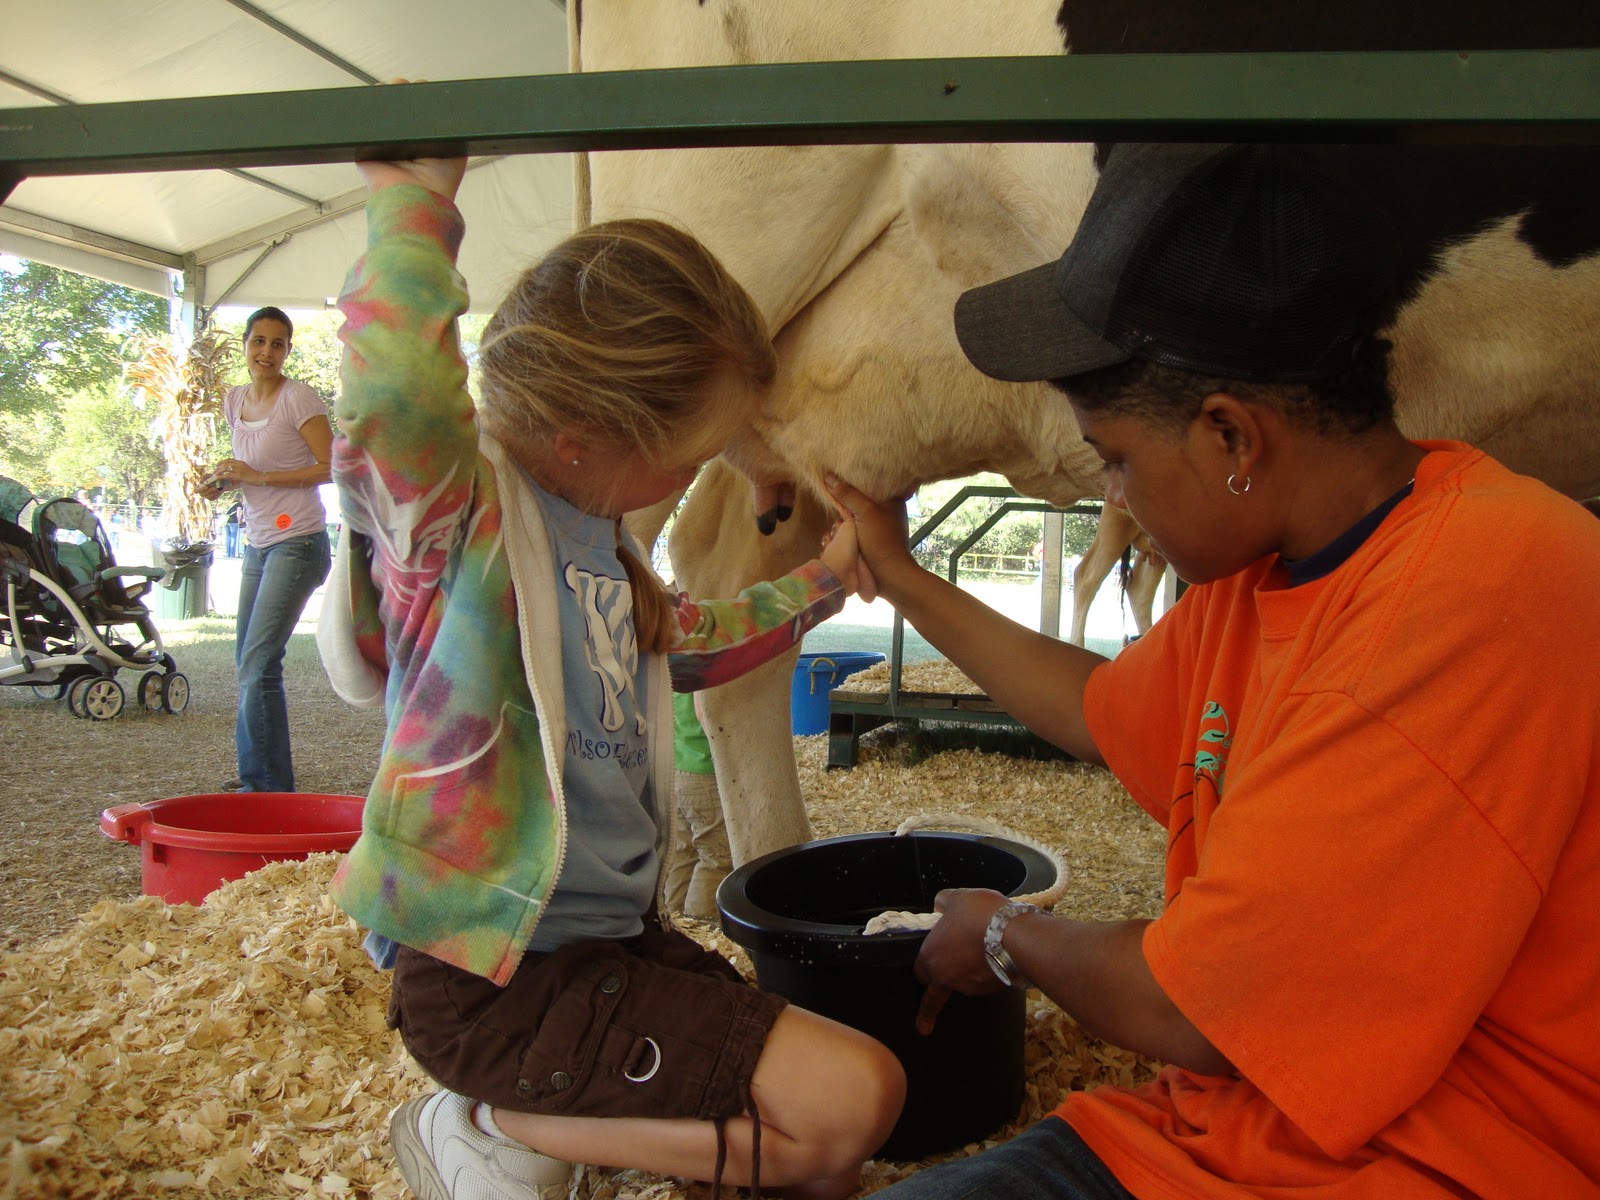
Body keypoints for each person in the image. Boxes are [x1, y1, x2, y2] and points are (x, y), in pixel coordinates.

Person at [827, 142, 1600, 1200]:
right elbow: (1097, 711)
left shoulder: (1481, 589)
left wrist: (1008, 936)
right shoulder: (1277, 571)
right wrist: (900, 575)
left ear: (1232, 435)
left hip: (1443, 1163)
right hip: (1212, 1139)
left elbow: (1194, 1012)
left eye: (1114, 459)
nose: (1113, 491)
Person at [325, 149, 904, 1200]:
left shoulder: (608, 551)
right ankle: (488, 1124)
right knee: (837, 1125)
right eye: (691, 454)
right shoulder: (459, 532)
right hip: (492, 977)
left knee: (845, 1113)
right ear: (586, 439)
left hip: (607, 951)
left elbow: (696, 639)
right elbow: (397, 403)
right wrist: (410, 205)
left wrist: (822, 584)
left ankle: (552, 1131)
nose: (699, 477)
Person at [198, 306, 333, 793]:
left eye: (278, 344)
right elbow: (248, 468)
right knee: (249, 663)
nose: (267, 352)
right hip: (257, 544)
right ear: (245, 345)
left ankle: (263, 788)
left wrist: (257, 476)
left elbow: (331, 467)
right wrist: (222, 482)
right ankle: (264, 780)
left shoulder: (300, 399)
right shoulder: (234, 401)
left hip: (298, 543)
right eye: (259, 342)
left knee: (257, 663)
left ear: (288, 351)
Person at [664, 689, 732, 920]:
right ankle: (700, 925)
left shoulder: (669, 657)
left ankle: (674, 922)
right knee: (717, 856)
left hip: (675, 766)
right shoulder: (700, 660)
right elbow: (703, 713)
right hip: (702, 768)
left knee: (683, 853)